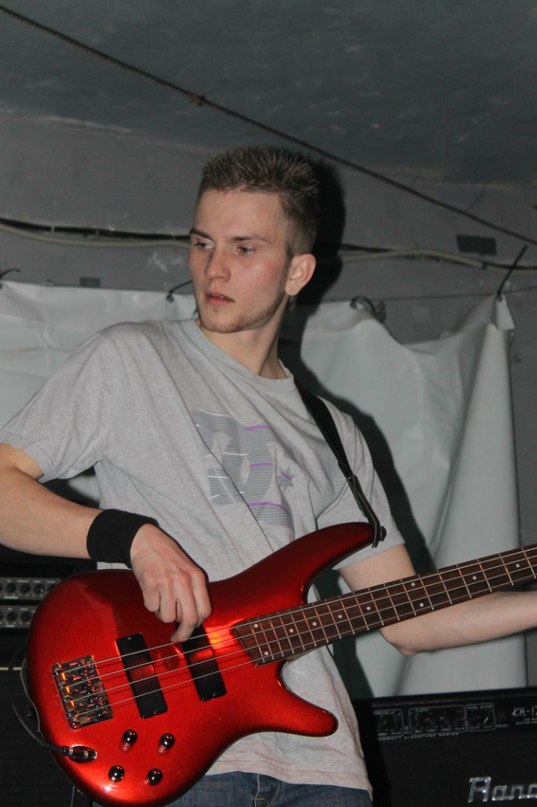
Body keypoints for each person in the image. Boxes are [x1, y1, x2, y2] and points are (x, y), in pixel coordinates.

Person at [0, 146, 536, 807]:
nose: (213, 268)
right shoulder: (131, 359)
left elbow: (409, 621)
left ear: (297, 272)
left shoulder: (334, 431)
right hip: (180, 749)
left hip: (323, 768)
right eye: (202, 242)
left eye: (244, 248)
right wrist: (129, 537)